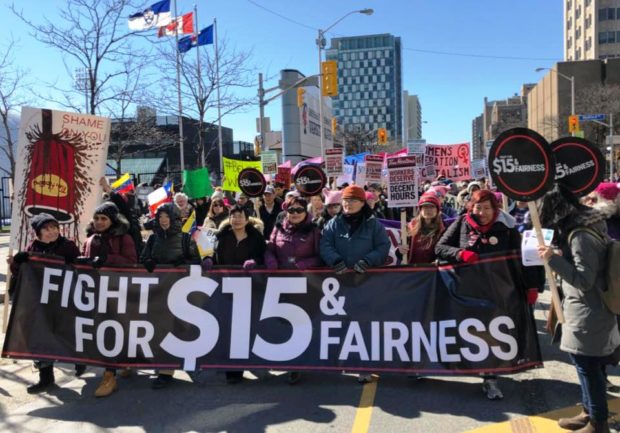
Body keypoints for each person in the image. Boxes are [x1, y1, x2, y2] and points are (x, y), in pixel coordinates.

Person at [434, 190, 539, 400]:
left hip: (497, 290)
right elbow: (440, 247)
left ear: (496, 209)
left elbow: (522, 259)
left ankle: (490, 378)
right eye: (477, 207)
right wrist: (460, 253)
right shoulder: (461, 223)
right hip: (466, 290)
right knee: (468, 331)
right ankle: (468, 366)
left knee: (492, 333)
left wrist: (531, 286)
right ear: (470, 207)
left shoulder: (507, 228)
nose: (481, 212)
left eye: (487, 208)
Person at [538, 184, 620, 433]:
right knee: (587, 364)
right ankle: (588, 412)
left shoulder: (580, 235)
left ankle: (598, 422)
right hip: (591, 309)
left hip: (588, 311)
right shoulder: (589, 225)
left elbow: (584, 280)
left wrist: (553, 258)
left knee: (587, 367)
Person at [320, 185, 390, 383]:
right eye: (345, 200)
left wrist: (368, 260)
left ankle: (364, 366)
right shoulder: (333, 224)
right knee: (339, 323)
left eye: (352, 201)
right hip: (339, 282)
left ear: (361, 203)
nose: (347, 204)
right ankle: (341, 361)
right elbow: (325, 244)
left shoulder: (373, 225)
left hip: (365, 282)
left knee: (363, 325)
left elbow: (383, 247)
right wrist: (334, 260)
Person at [8, 213, 81, 394]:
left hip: (65, 301)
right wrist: (17, 262)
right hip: (40, 303)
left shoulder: (68, 246)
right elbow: (21, 273)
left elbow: (80, 268)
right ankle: (46, 378)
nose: (52, 232)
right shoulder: (32, 248)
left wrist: (73, 263)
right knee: (40, 338)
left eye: (54, 227)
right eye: (46, 229)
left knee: (69, 335)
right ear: (38, 232)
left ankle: (80, 361)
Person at [141, 203, 202, 389]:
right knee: (162, 330)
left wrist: (184, 262)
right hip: (159, 292)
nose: (163, 220)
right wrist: (148, 262)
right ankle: (166, 371)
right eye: (160, 217)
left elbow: (197, 262)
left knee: (182, 329)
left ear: (174, 218)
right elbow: (142, 259)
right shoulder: (153, 239)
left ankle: (188, 360)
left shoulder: (185, 239)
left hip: (181, 292)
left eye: (166, 216)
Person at [81, 202, 138, 398]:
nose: (99, 222)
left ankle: (110, 375)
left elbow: (131, 262)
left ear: (112, 220)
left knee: (115, 331)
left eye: (103, 219)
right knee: (104, 331)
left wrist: (107, 259)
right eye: (96, 218)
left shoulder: (124, 238)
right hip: (96, 292)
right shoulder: (90, 239)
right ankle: (115, 368)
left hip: (118, 292)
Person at [265, 196, 322, 384]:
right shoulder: (279, 227)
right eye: (291, 210)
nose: (295, 213)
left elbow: (321, 256)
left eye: (299, 210)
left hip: (306, 284)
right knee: (285, 323)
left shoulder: (314, 229)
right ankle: (292, 362)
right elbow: (269, 249)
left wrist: (305, 264)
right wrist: (271, 260)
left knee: (302, 323)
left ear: (305, 211)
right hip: (282, 283)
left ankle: (300, 363)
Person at [206, 205, 266, 384]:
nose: (237, 219)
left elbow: (263, 256)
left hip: (249, 287)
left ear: (247, 219)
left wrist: (254, 261)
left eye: (240, 216)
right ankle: (232, 369)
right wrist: (208, 260)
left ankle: (247, 360)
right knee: (228, 327)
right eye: (234, 216)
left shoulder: (256, 237)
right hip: (226, 286)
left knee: (245, 326)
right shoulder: (221, 236)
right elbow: (212, 254)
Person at [398, 194, 445, 264]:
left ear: (437, 209)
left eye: (432, 207)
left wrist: (440, 260)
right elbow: (401, 252)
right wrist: (399, 251)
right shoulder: (409, 227)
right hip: (414, 270)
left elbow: (446, 250)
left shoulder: (444, 229)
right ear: (420, 209)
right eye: (425, 207)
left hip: (434, 271)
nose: (428, 210)